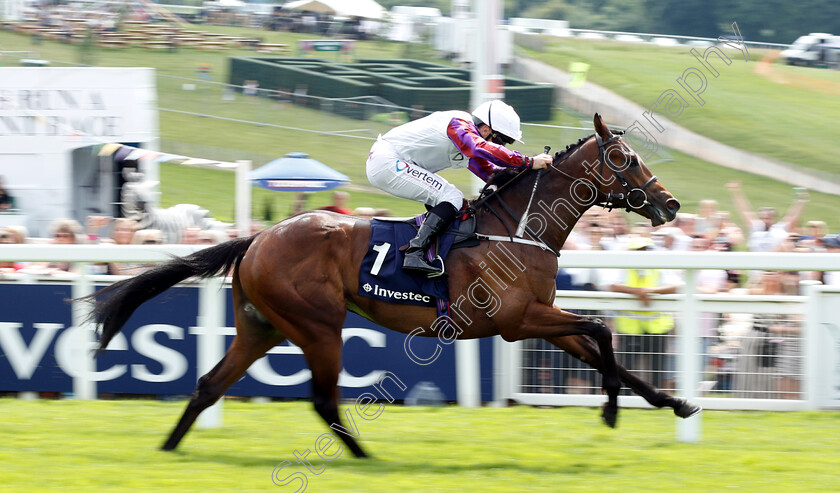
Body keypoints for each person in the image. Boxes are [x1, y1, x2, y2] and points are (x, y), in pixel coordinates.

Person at [365, 99, 552, 275]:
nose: (501, 146)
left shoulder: (469, 139)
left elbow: (491, 173)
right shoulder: (459, 123)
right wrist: (527, 161)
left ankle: (431, 249)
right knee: (451, 197)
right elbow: (481, 148)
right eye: (501, 140)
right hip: (388, 161)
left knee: (456, 201)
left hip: (392, 163)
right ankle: (415, 253)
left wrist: (528, 179)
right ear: (486, 129)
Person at [609, 236, 683, 389]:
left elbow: (678, 285)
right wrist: (637, 292)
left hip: (657, 328)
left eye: (645, 249)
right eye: (638, 250)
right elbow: (612, 284)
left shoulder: (659, 268)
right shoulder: (624, 268)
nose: (642, 253)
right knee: (626, 370)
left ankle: (654, 402)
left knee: (656, 371)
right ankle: (625, 402)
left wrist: (651, 291)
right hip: (629, 329)